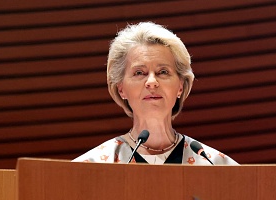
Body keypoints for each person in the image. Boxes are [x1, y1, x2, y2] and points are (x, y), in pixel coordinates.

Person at [73, 22, 238, 165]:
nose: (152, 82)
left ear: (180, 86)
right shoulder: (94, 166)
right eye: (139, 73)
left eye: (163, 72)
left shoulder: (214, 165)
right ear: (121, 88)